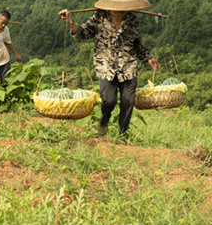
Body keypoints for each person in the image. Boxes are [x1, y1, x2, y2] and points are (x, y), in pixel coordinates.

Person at [60, 9, 159, 137]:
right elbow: (83, 32)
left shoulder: (132, 19)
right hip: (106, 66)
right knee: (109, 100)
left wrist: (148, 57)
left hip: (127, 66)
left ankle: (122, 135)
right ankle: (104, 119)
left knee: (128, 101)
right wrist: (70, 22)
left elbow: (137, 43)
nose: (118, 12)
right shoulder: (100, 16)